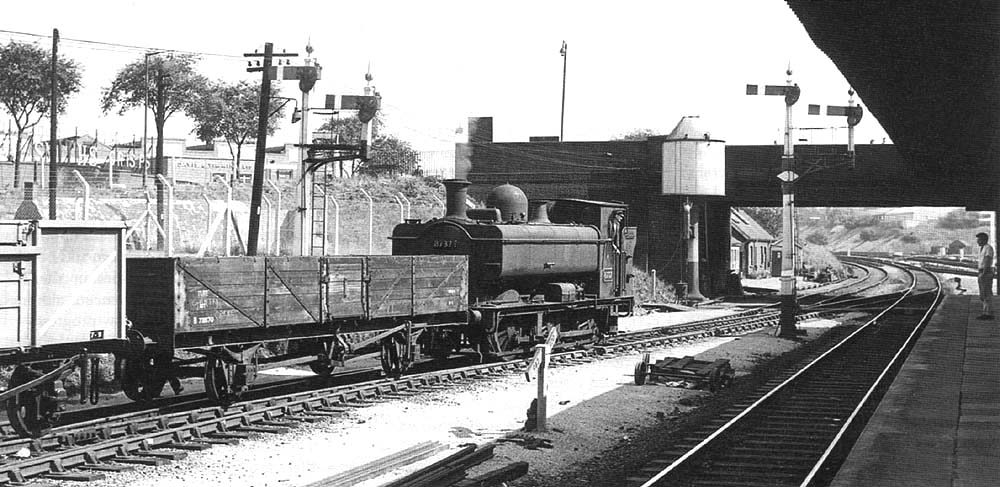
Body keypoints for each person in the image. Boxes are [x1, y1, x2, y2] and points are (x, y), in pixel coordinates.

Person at [975, 232, 995, 319]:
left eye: (979, 239)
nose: (977, 241)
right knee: (983, 293)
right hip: (982, 272)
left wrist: (983, 273)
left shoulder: (988, 248)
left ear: (984, 240)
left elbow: (987, 261)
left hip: (985, 272)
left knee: (986, 293)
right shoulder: (982, 248)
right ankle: (985, 312)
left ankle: (988, 313)